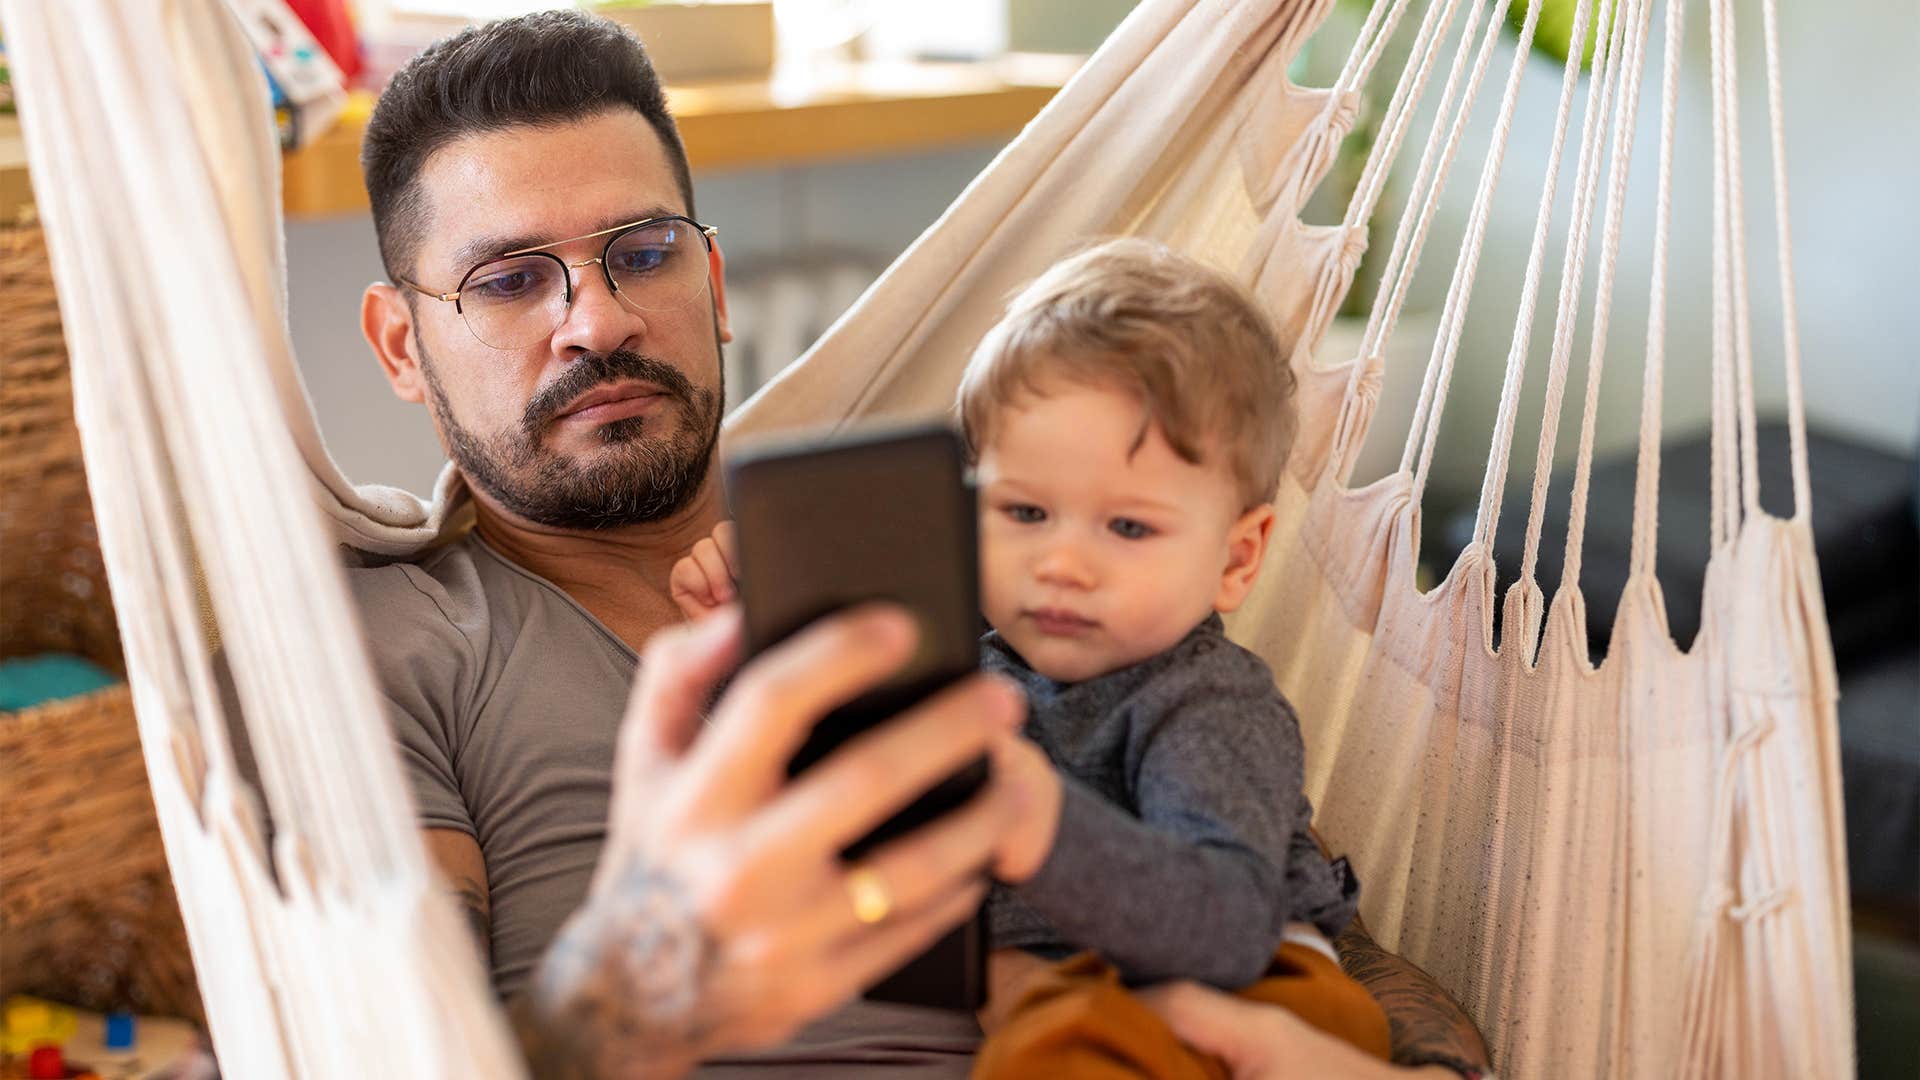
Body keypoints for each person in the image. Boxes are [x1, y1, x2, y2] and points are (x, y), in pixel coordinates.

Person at [337, 10, 1492, 1078]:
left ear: (714, 279)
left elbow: (1318, 934)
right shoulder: (391, 650)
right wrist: (631, 986)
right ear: (400, 346)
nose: (597, 321)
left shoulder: (994, 543)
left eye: (642, 253)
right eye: (508, 281)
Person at [675, 240, 1395, 1077]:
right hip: (1075, 994)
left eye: (1127, 528)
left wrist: (1032, 820)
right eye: (1023, 513)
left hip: (1263, 994)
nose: (1062, 564)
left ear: (1236, 559)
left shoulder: (1209, 703)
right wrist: (743, 656)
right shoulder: (965, 666)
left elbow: (1227, 932)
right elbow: (832, 789)